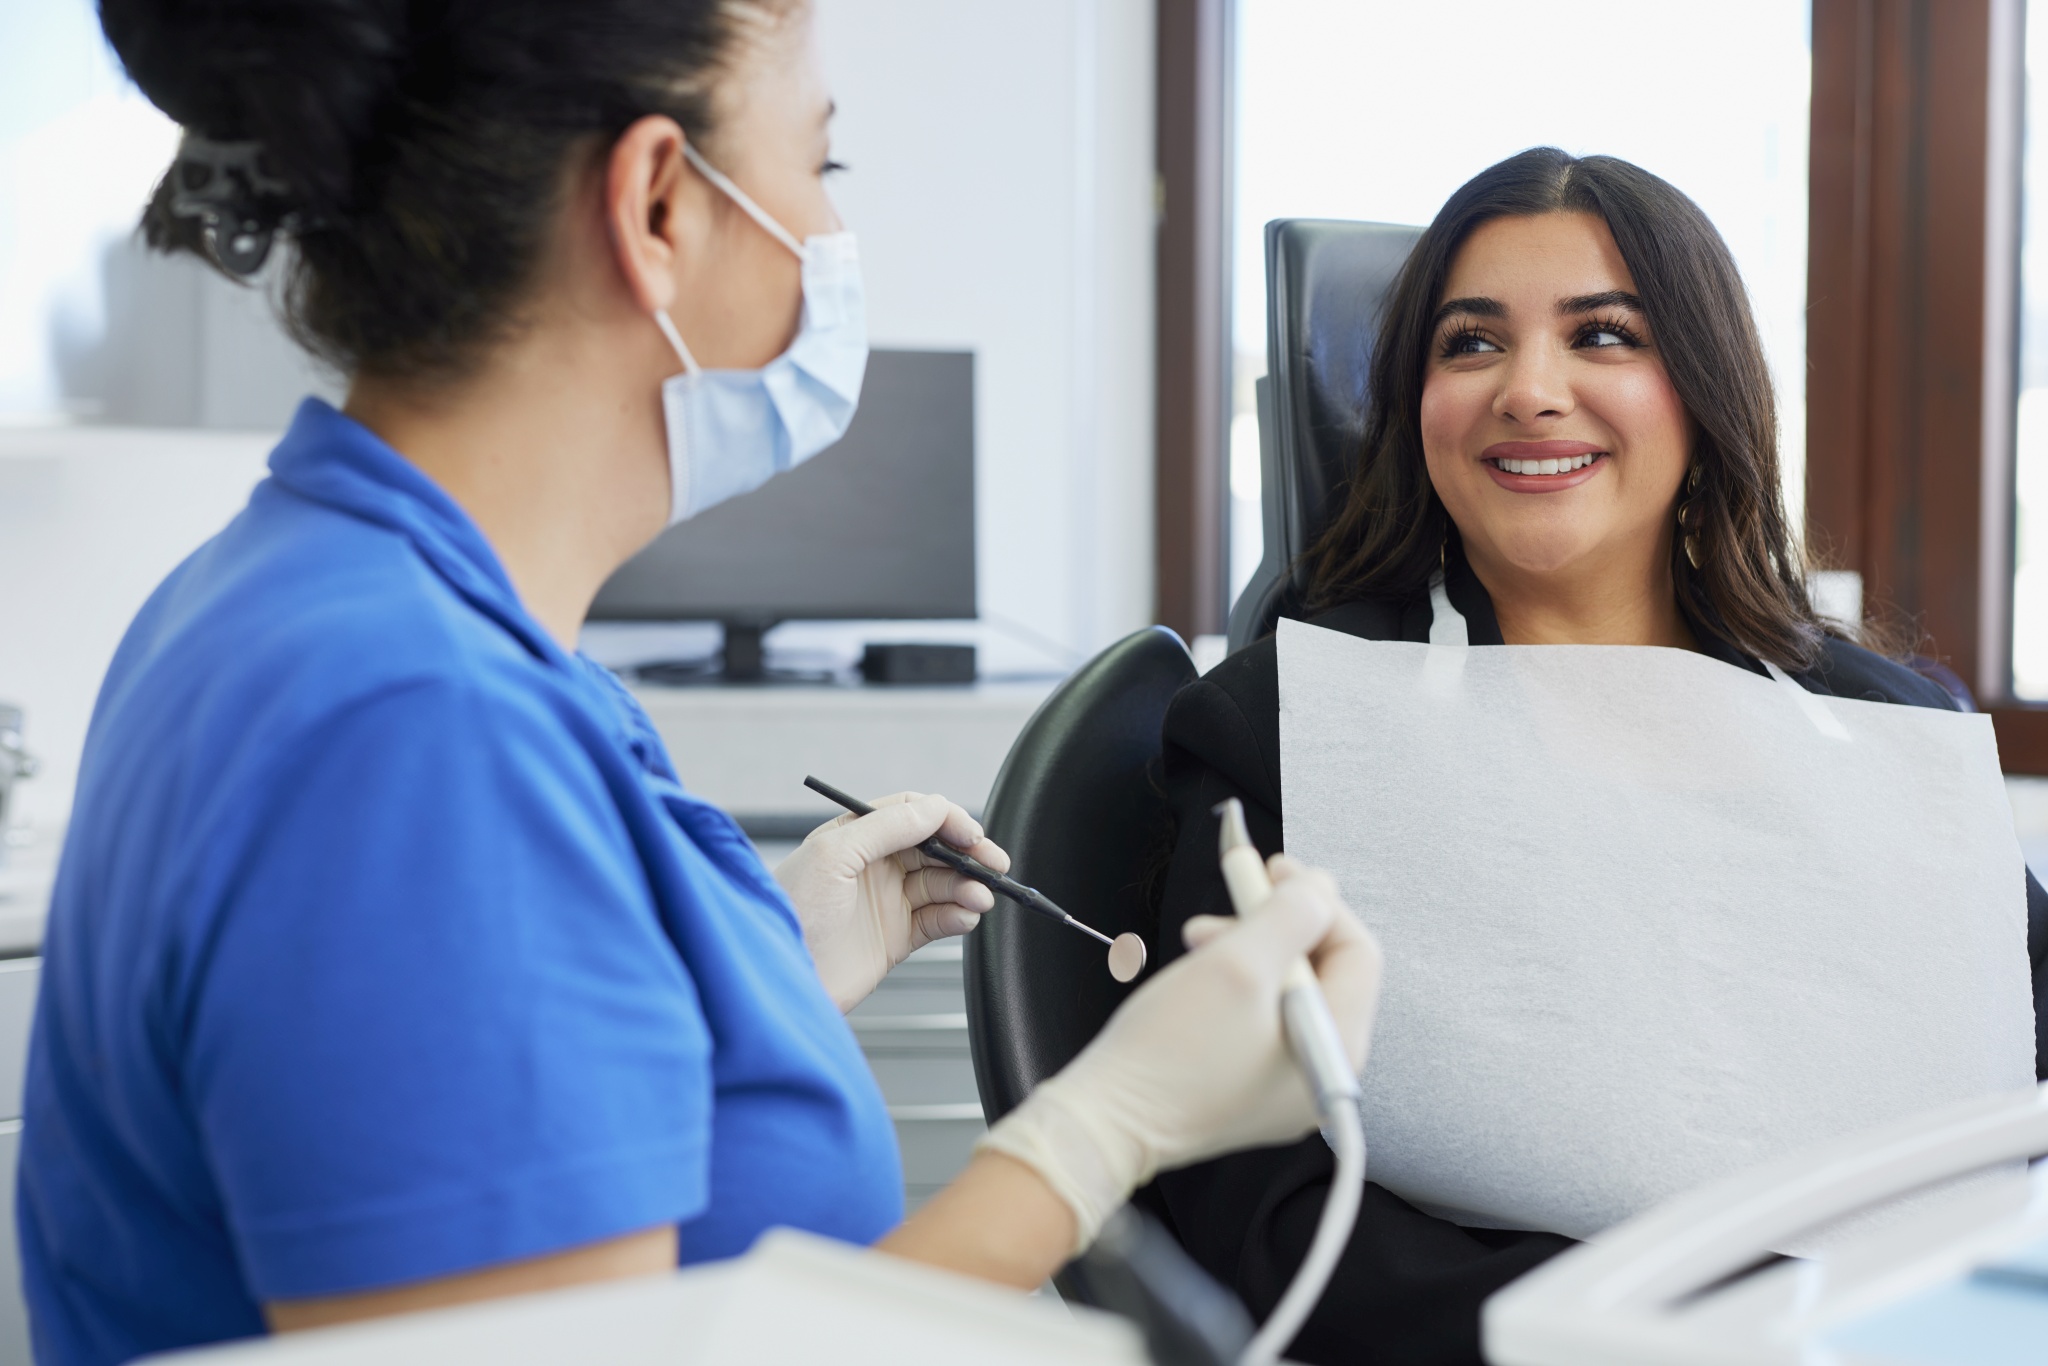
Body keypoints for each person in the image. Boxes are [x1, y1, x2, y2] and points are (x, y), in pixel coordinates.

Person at [19, 4, 1384, 1364]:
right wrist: (1109, 1126)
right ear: (658, 204)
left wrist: (753, 979)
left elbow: (474, 1055)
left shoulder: (334, 599)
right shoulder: (417, 728)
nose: (837, 242)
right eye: (821, 169)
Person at [1150, 146, 2048, 1366]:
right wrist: (1658, 1331)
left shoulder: (1887, 728)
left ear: (1701, 387)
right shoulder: (1283, 729)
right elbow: (1244, 1212)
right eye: (1468, 344)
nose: (1528, 388)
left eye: (1603, 335)